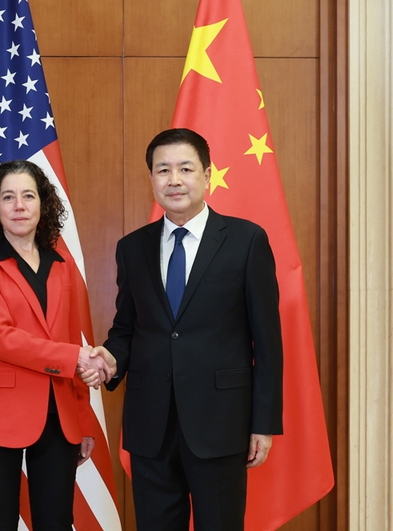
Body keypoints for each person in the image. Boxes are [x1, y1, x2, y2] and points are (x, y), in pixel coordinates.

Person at [96, 128, 283, 530]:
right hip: (151, 425)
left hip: (221, 423)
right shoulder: (132, 247)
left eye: (185, 168)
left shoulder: (246, 241)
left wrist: (263, 424)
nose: (174, 180)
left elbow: (267, 340)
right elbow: (127, 328)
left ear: (208, 175)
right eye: (163, 170)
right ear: (151, 179)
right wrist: (111, 358)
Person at [0, 160, 115, 530]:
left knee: (57, 523)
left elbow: (71, 340)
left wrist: (82, 420)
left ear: (42, 204)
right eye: (8, 197)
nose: (19, 205)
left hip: (58, 418)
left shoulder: (63, 266)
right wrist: (74, 356)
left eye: (28, 196)